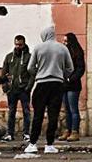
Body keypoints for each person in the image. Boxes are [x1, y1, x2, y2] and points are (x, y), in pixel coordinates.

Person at [25, 26, 74, 154]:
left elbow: (30, 67)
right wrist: (62, 75)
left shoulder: (38, 48)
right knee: (53, 115)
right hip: (57, 84)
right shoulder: (62, 48)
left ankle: (33, 143)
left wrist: (39, 74)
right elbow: (70, 68)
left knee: (38, 115)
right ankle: (50, 144)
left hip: (41, 84)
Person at [1, 35, 33, 142]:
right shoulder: (9, 57)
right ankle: (10, 133)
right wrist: (5, 86)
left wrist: (28, 87)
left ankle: (27, 133)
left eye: (20, 44)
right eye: (16, 44)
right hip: (12, 89)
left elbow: (32, 74)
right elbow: (4, 72)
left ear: (24, 44)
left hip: (23, 89)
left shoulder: (29, 57)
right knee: (11, 112)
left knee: (26, 111)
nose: (18, 46)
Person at [62, 33, 86, 142]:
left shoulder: (77, 53)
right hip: (64, 84)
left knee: (73, 109)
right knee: (67, 109)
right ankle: (68, 130)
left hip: (73, 85)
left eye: (66, 41)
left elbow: (80, 69)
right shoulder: (64, 53)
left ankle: (75, 131)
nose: (64, 43)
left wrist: (70, 78)